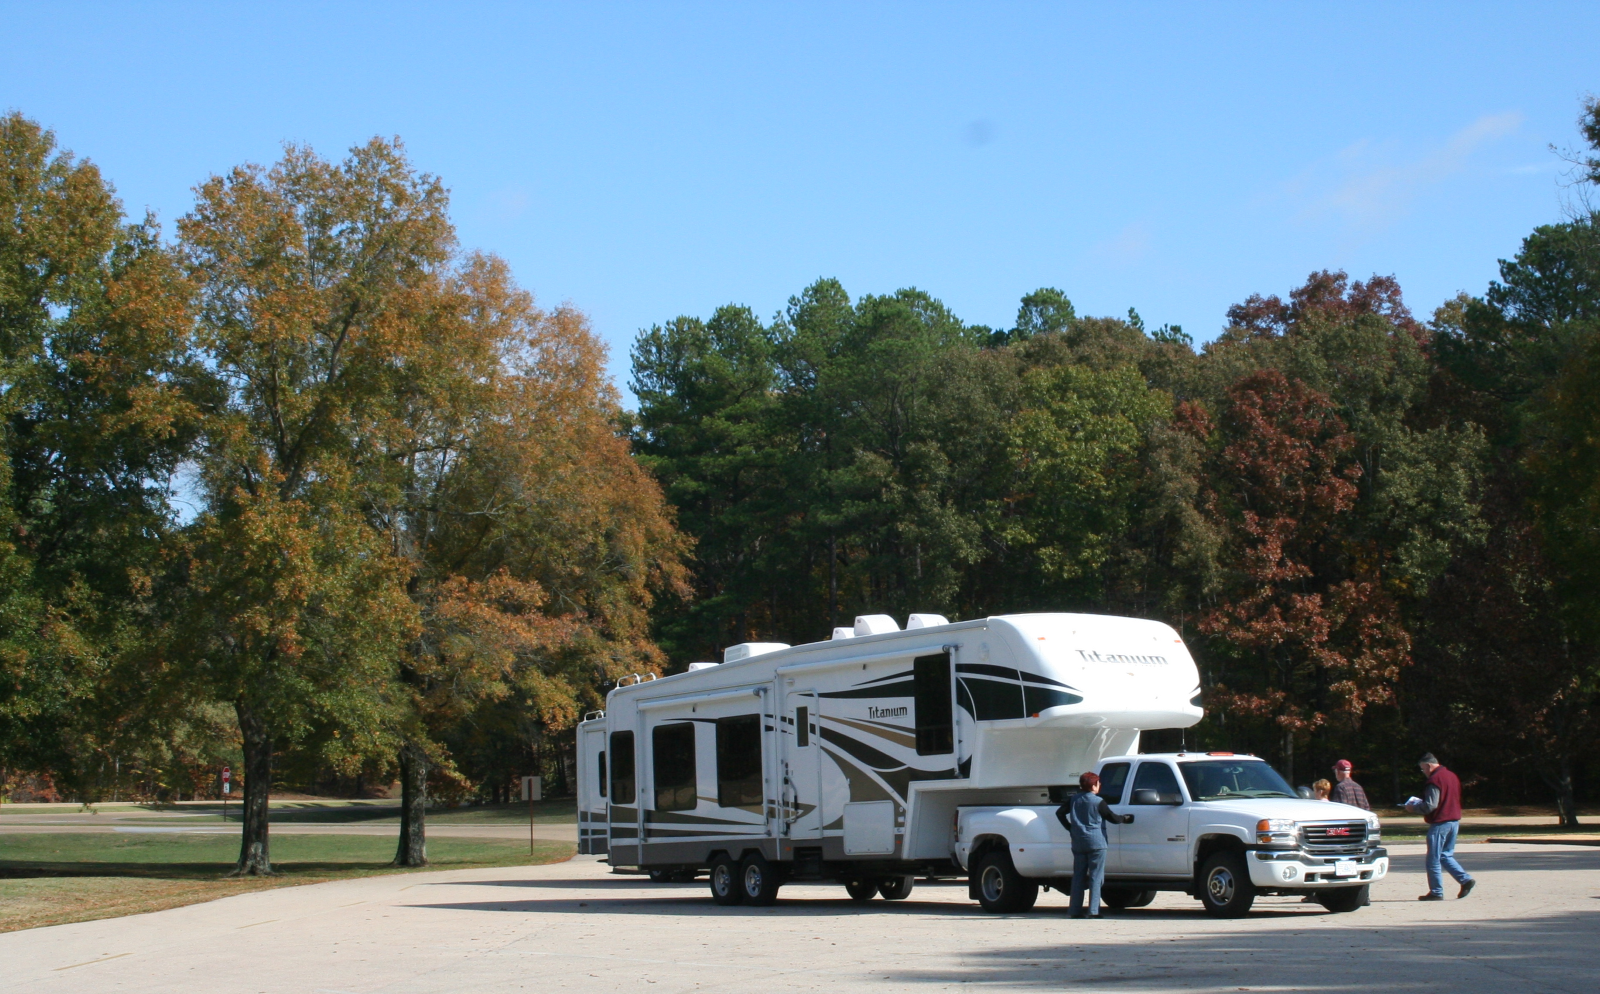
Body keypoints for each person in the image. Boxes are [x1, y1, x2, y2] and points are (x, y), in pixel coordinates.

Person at [1055, 771, 1134, 918]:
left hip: (1078, 842)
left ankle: (1074, 910)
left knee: (1078, 876)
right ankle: (1093, 911)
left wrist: (1070, 828)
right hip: (1096, 842)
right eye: (1098, 783)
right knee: (1096, 877)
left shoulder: (1074, 800)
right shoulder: (1098, 801)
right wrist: (1125, 818)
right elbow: (1112, 818)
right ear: (1094, 785)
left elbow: (1059, 813)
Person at [1408, 753, 1475, 901]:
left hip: (1440, 823)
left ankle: (1436, 892)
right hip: (1454, 821)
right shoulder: (1452, 776)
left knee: (1433, 858)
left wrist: (1414, 808)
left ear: (1429, 766)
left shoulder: (1435, 780)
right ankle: (1465, 880)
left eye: (1423, 769)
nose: (1423, 772)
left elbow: (1431, 805)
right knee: (1446, 855)